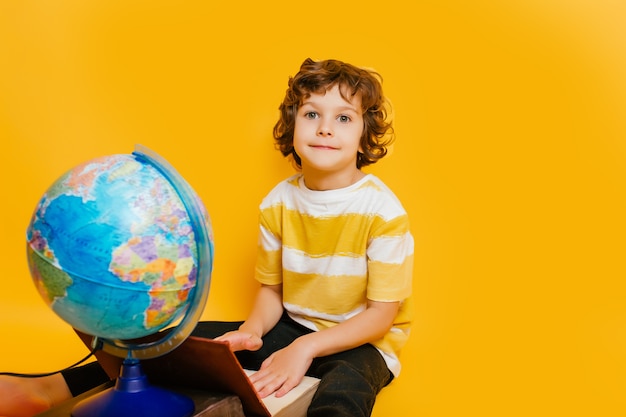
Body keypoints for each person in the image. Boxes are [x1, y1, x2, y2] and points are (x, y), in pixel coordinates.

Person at [0, 58, 414, 417]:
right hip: (293, 326)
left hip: (361, 341)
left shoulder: (382, 210)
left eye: (343, 117)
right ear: (292, 124)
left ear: (364, 135)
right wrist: (253, 332)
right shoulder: (278, 202)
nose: (325, 129)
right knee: (178, 342)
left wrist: (307, 350)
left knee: (345, 389)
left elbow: (381, 315)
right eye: (311, 114)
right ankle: (52, 387)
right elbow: (272, 292)